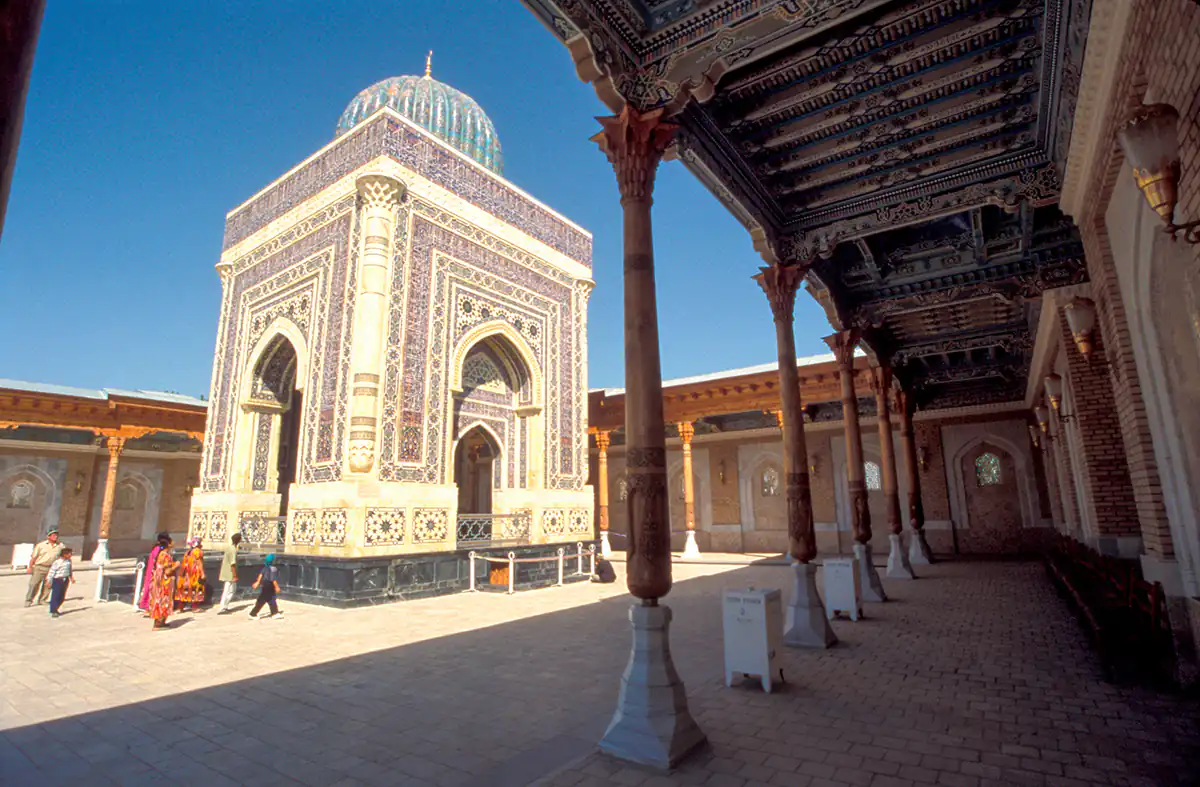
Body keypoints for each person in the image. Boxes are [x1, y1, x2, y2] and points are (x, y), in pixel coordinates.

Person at [147, 534, 180, 630]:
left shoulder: (160, 554)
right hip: (164, 583)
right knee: (163, 601)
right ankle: (158, 624)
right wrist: (176, 565)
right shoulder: (165, 556)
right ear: (169, 544)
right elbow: (167, 571)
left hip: (158, 582)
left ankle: (161, 622)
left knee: (159, 600)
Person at [25, 529, 63, 607]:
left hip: (52, 568)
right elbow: (33, 557)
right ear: (48, 536)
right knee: (34, 584)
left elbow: (62, 556)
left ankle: (42, 599)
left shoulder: (60, 546)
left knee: (48, 585)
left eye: (56, 535)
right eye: (53, 535)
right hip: (40, 567)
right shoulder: (41, 545)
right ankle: (29, 600)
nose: (55, 537)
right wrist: (30, 567)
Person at [174, 537, 206, 612]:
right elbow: (199, 563)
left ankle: (180, 607)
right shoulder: (198, 551)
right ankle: (194, 607)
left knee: (185, 589)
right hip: (194, 573)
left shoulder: (188, 552)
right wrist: (202, 573)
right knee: (196, 588)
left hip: (186, 573)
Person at [138, 534, 167, 615]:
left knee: (150, 588)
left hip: (151, 571)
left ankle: (148, 608)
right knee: (153, 590)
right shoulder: (160, 550)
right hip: (155, 572)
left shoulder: (156, 548)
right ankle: (149, 608)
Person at [248, 554, 283, 619]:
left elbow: (261, 575)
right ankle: (253, 614)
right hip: (269, 585)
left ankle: (274, 613)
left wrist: (257, 582)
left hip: (265, 584)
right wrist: (277, 587)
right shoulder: (274, 569)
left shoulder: (265, 567)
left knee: (270, 599)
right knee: (266, 599)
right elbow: (273, 579)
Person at [217, 533, 242, 614]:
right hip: (230, 574)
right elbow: (233, 563)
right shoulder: (233, 550)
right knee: (228, 591)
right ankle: (222, 607)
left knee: (231, 590)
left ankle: (225, 606)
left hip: (228, 573)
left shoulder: (230, 548)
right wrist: (234, 575)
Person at [46, 547, 75, 618]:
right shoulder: (57, 562)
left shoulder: (69, 561)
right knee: (56, 595)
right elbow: (52, 571)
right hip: (58, 579)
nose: (70, 555)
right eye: (69, 554)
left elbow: (69, 570)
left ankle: (57, 607)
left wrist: (71, 577)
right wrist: (49, 581)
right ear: (65, 554)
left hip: (65, 579)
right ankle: (53, 610)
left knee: (62, 596)